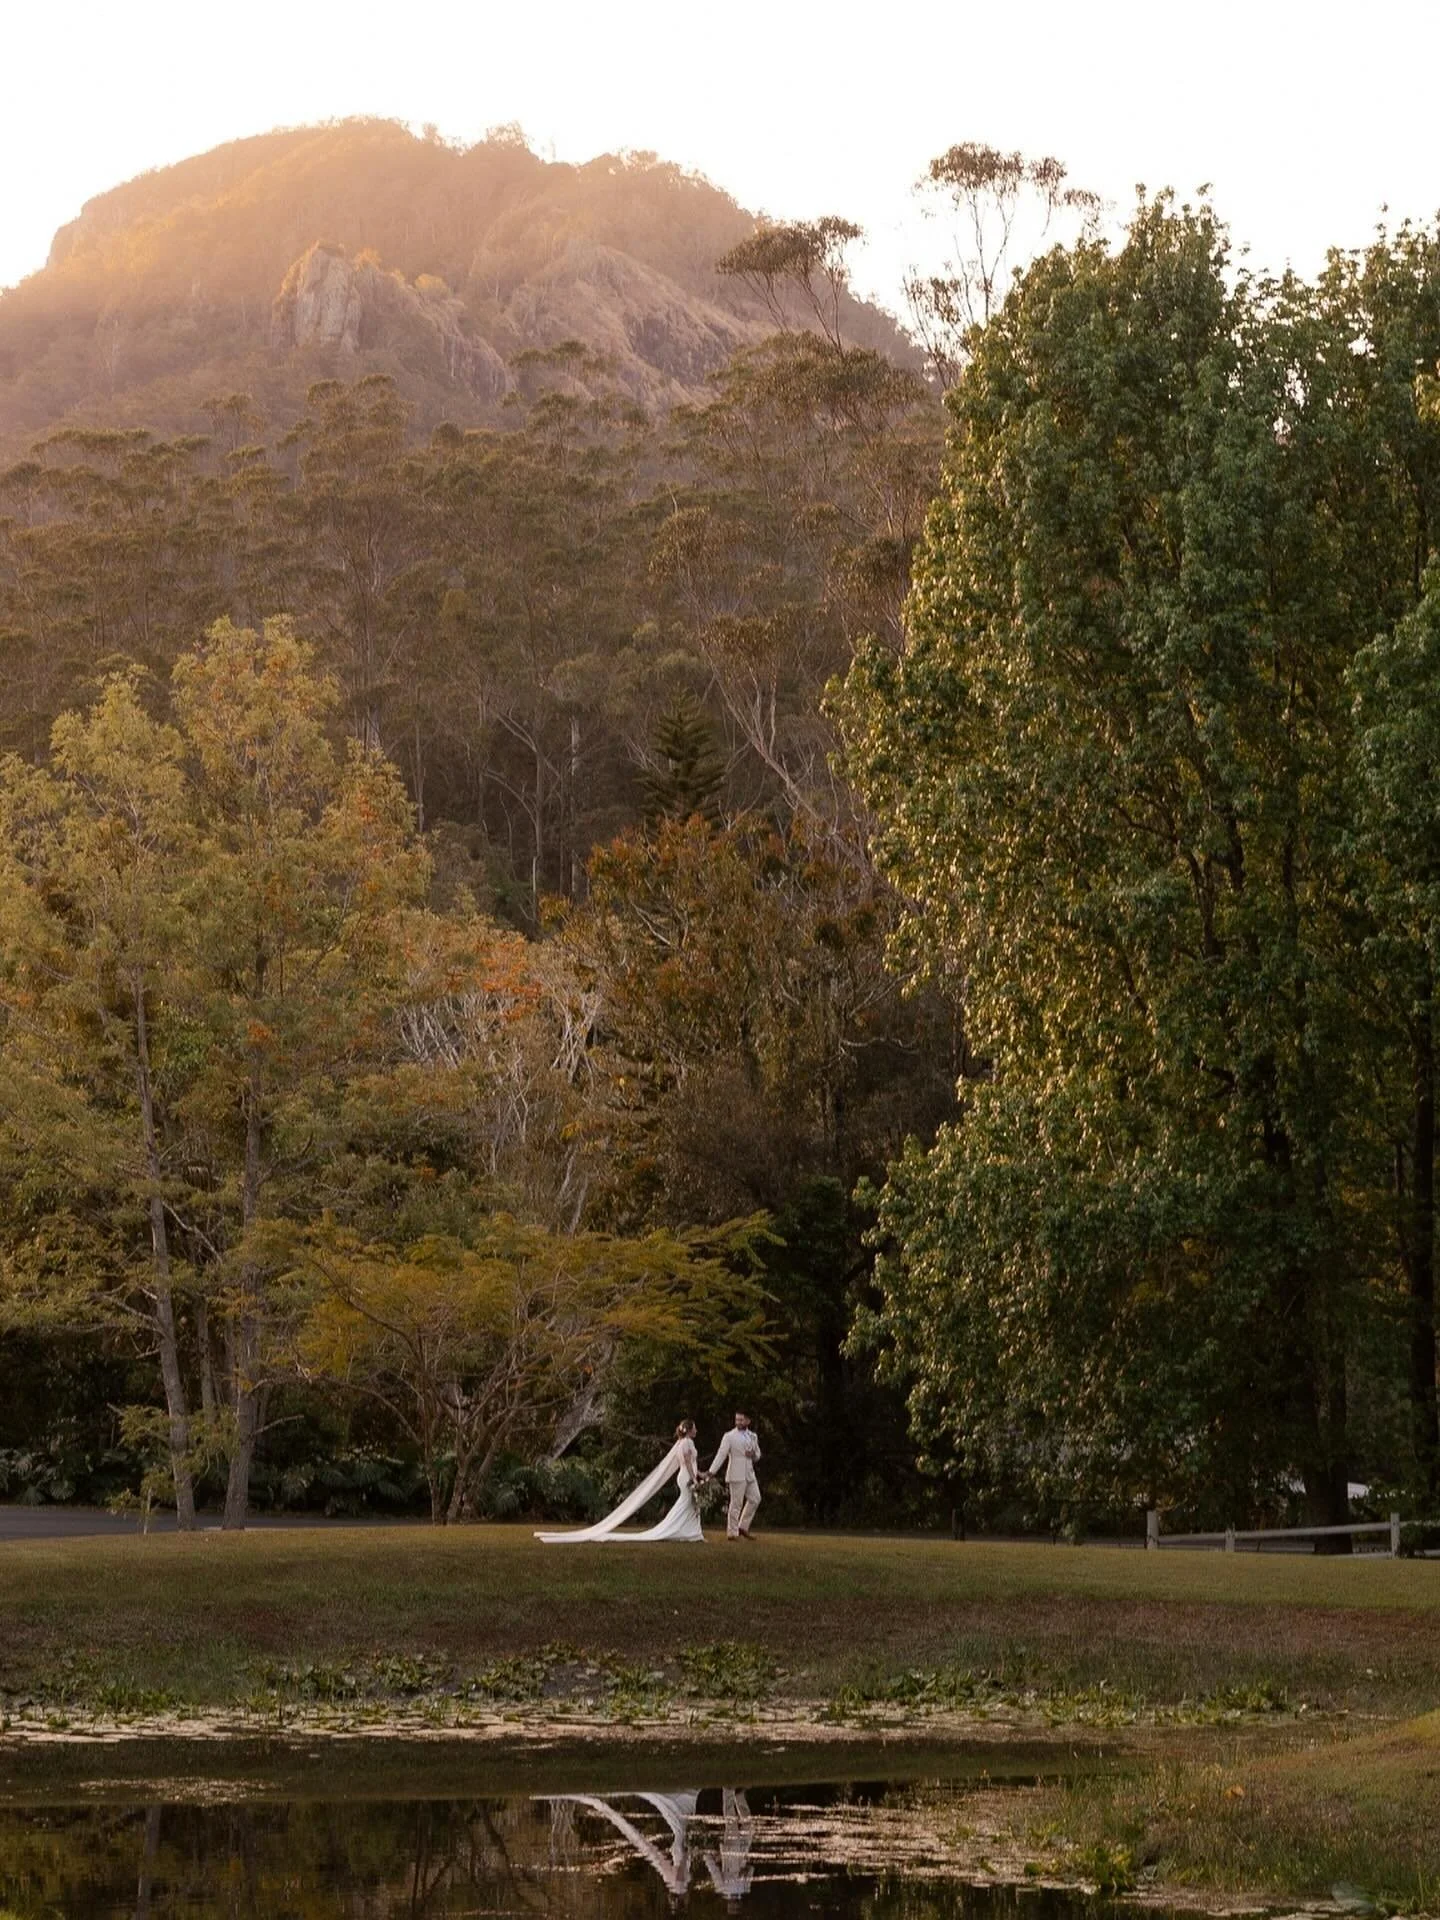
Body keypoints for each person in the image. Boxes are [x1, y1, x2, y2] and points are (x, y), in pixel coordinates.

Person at [535, 1420, 704, 1544]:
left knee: (689, 1504)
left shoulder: (681, 1442)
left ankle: (691, 1531)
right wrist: (695, 1478)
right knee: (686, 1504)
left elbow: (690, 1464)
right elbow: (688, 1463)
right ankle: (682, 1531)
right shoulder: (688, 1442)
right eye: (695, 1427)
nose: (696, 1430)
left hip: (684, 1476)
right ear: (689, 1430)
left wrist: (700, 1474)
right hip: (687, 1477)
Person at [709, 1411, 761, 1540]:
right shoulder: (729, 1436)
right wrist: (711, 1471)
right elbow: (721, 1454)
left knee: (756, 1498)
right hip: (736, 1473)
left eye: (741, 1420)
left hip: (749, 1473)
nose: (738, 1422)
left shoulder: (753, 1436)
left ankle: (743, 1526)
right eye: (737, 1420)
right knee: (736, 1504)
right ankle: (732, 1532)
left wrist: (753, 1454)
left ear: (748, 1421)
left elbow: (758, 1454)